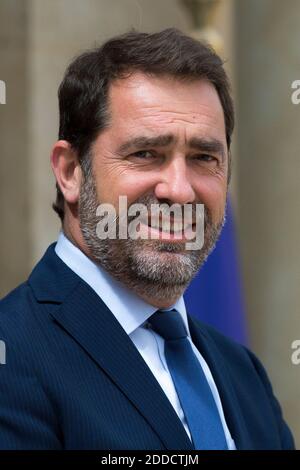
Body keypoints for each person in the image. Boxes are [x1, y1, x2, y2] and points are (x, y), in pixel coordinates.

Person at [0, 28, 294, 450]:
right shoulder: (13, 357)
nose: (179, 190)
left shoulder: (242, 372)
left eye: (203, 158)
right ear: (69, 171)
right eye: (145, 154)